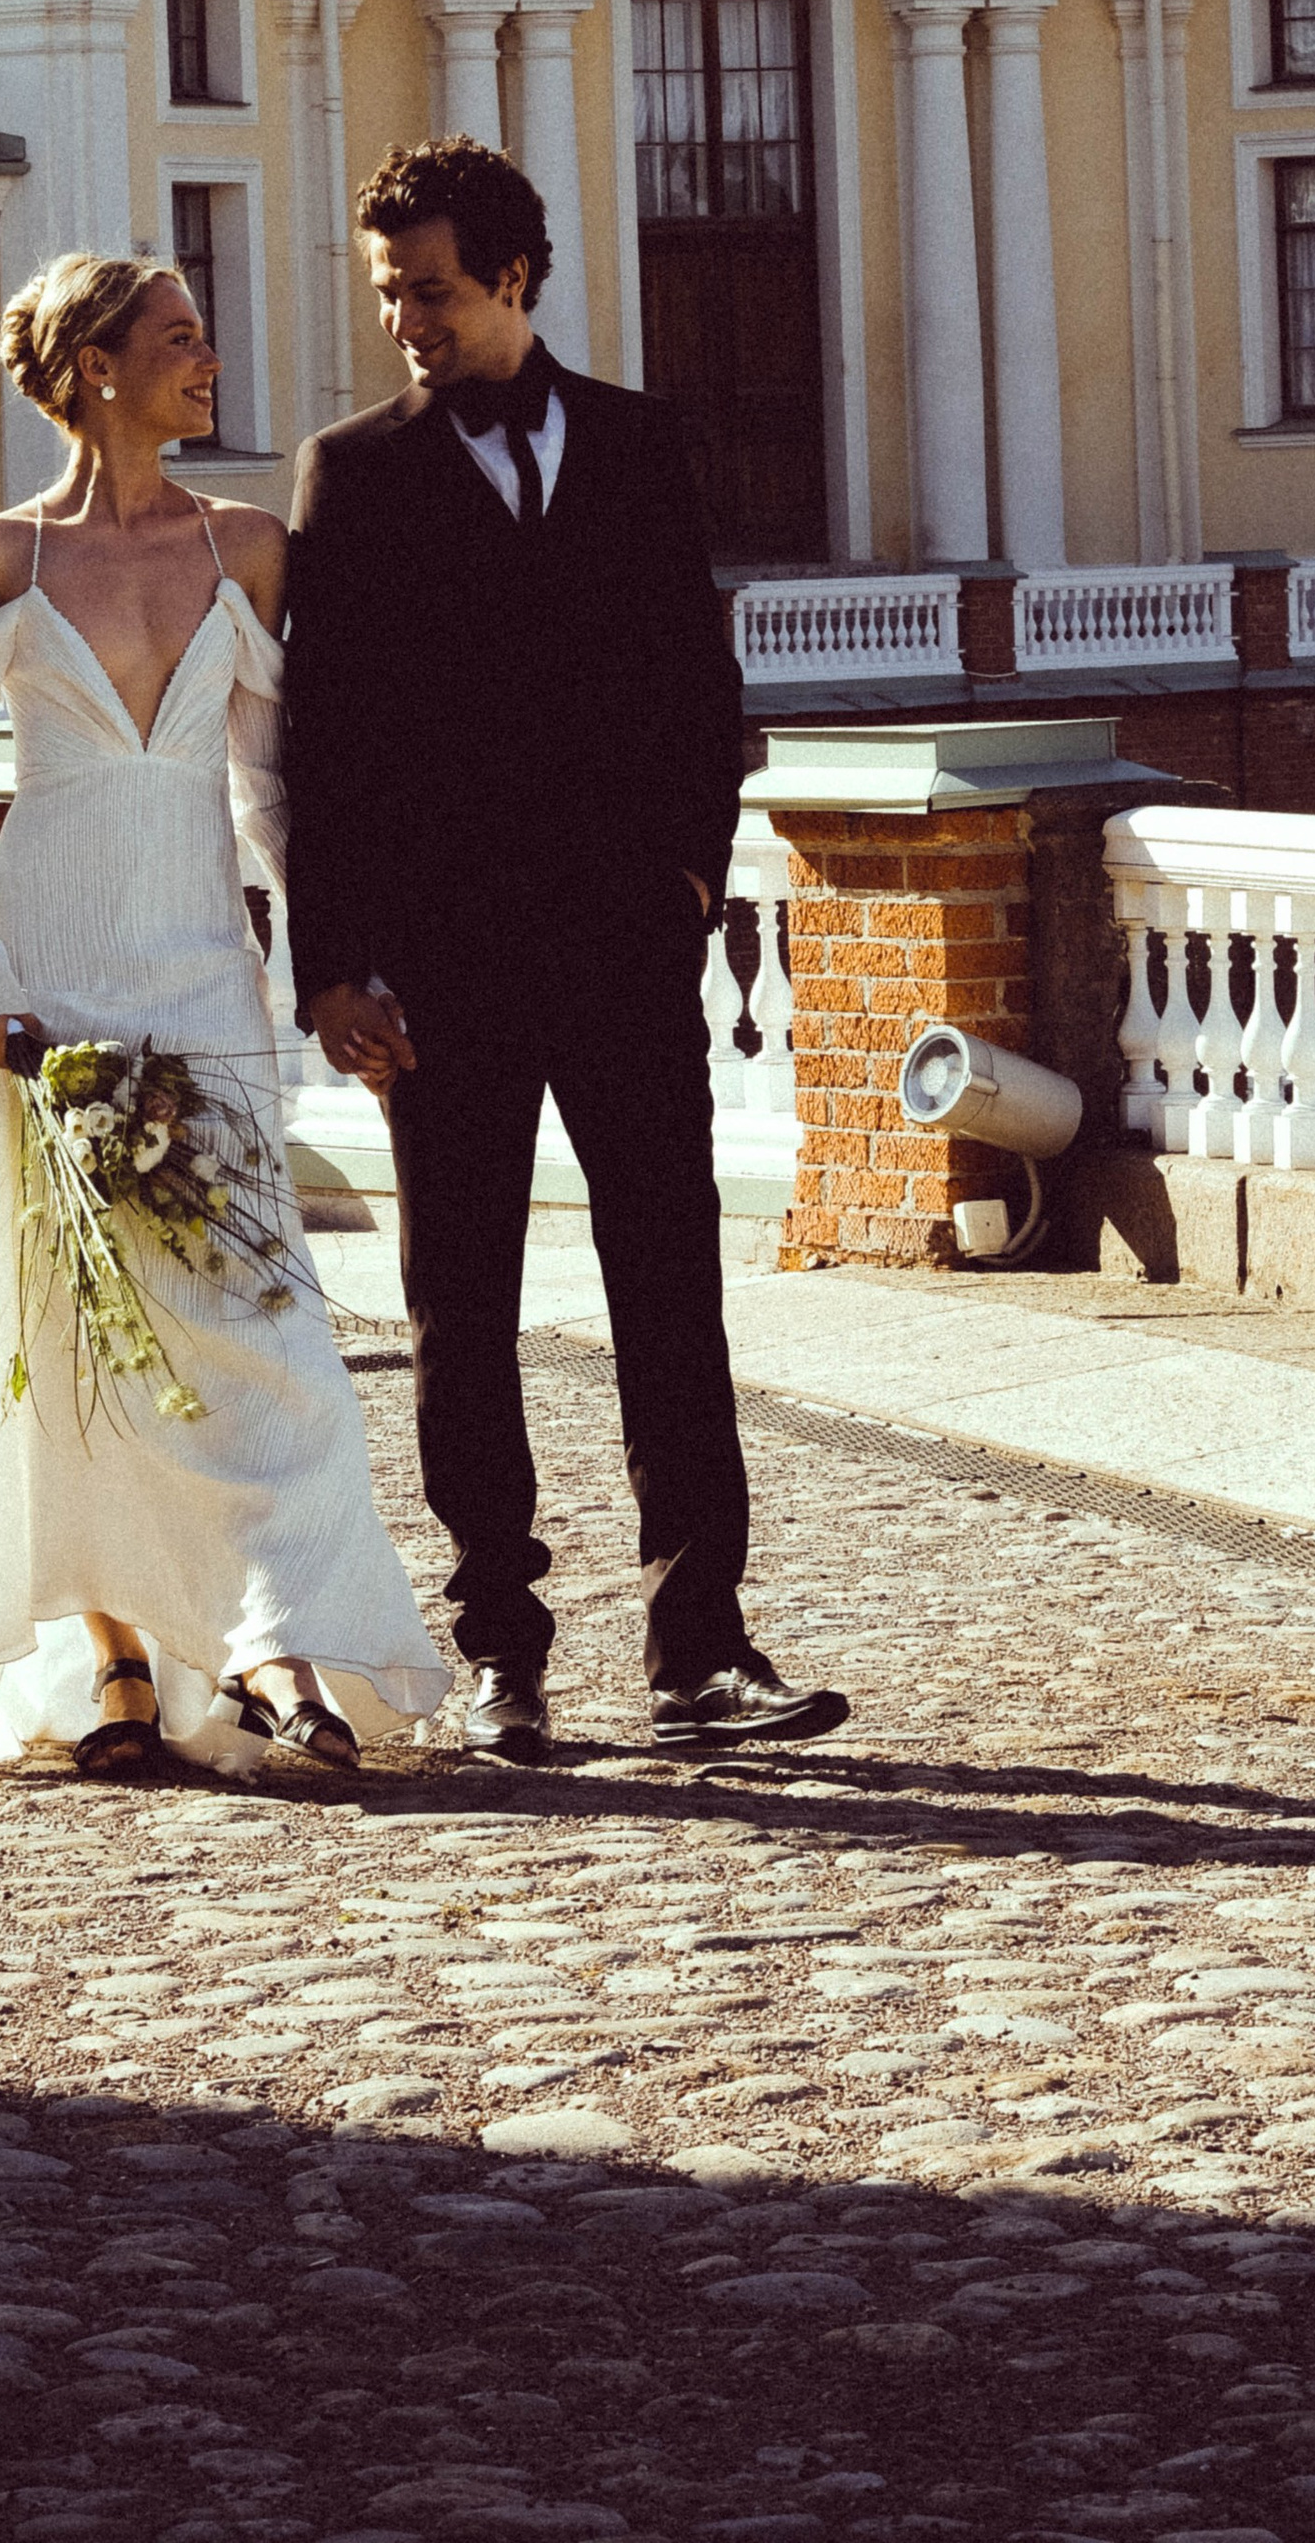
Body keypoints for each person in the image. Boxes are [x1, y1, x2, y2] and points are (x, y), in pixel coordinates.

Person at [281, 136, 849, 1764]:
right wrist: (334, 961)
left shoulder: (642, 446)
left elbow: (698, 693)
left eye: (435, 291)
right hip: (436, 976)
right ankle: (499, 1655)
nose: (408, 321)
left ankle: (702, 1645)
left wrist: (687, 882)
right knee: (460, 1307)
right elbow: (330, 747)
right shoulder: (353, 473)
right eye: (392, 294)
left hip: (624, 948)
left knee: (671, 1289)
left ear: (517, 276)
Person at [0, 249, 449, 1782]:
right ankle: (109, 1657)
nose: (210, 364)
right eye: (181, 341)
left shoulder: (250, 549)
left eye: (207, 337)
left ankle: (275, 1639)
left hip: (203, 966)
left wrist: (329, 966)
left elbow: (278, 788)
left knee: (258, 1324)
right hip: (50, 972)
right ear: (94, 369)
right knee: (79, 1321)